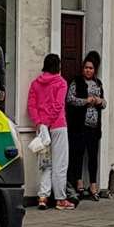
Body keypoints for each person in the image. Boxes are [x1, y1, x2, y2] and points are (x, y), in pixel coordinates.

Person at [26, 53, 73, 210]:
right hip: (58, 126)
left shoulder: (35, 84)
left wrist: (40, 123)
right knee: (60, 163)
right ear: (58, 66)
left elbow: (31, 106)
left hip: (42, 129)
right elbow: (58, 105)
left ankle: (43, 197)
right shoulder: (61, 83)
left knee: (45, 163)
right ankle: (60, 199)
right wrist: (49, 121)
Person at [67, 51, 107, 201]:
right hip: (79, 125)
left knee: (92, 156)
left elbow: (104, 102)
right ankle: (79, 184)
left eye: (90, 68)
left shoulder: (98, 83)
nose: (88, 70)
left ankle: (93, 185)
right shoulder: (76, 82)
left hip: (94, 126)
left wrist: (99, 101)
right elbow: (70, 99)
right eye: (86, 68)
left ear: (94, 70)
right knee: (78, 155)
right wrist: (85, 101)